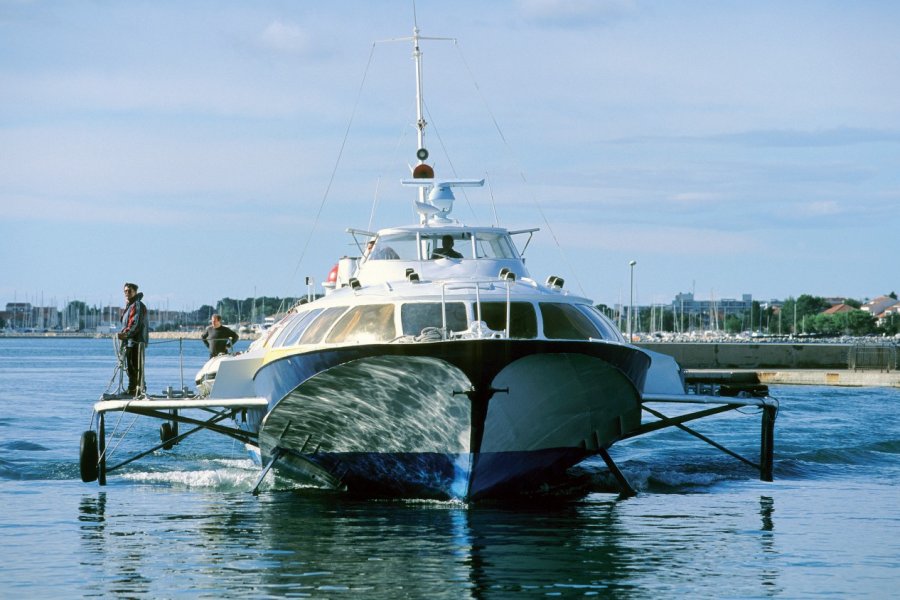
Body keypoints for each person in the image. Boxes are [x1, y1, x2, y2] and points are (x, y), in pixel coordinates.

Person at [118, 282, 149, 396]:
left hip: (136, 341)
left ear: (135, 292)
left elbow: (135, 323)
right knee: (130, 367)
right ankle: (134, 389)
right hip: (130, 342)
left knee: (134, 366)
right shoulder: (130, 305)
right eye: (125, 291)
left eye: (129, 291)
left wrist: (126, 334)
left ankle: (136, 390)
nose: (127, 293)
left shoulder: (137, 305)